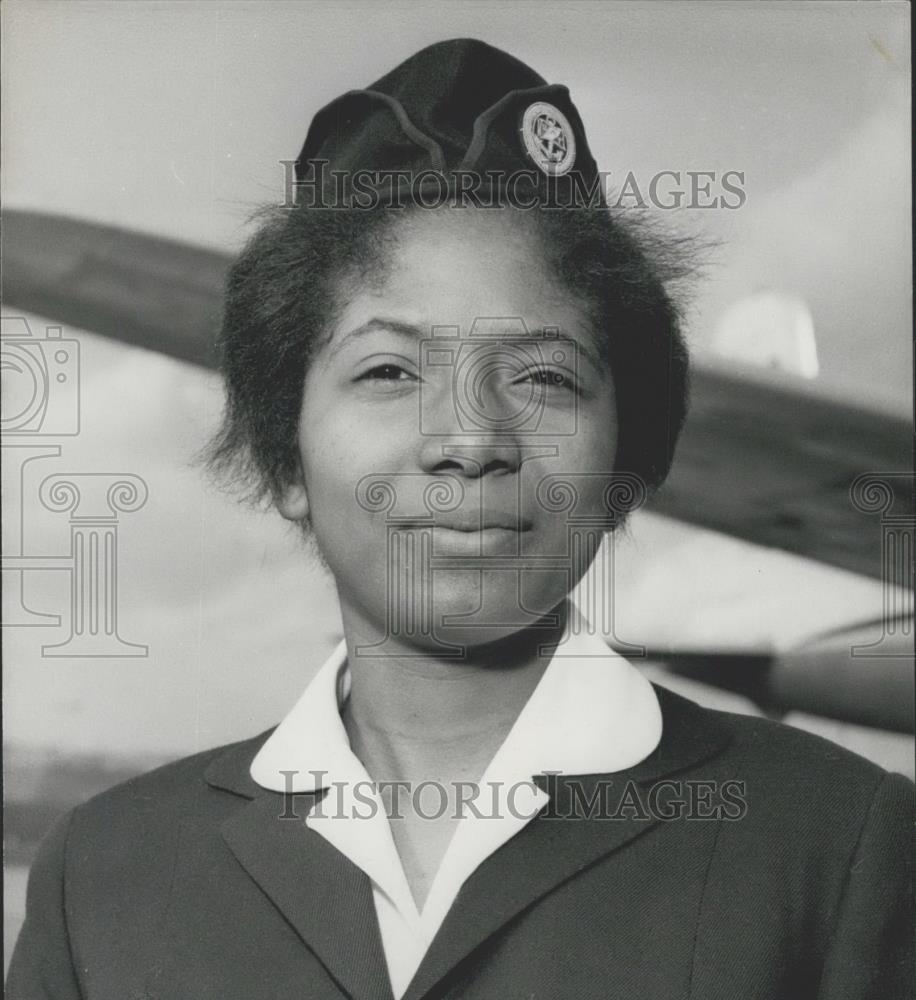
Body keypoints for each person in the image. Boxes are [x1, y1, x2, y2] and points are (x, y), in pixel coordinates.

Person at [8, 37, 911, 1000]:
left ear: (630, 464)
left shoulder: (847, 851)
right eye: (388, 371)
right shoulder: (102, 878)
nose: (470, 440)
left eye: (543, 377)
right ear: (285, 459)